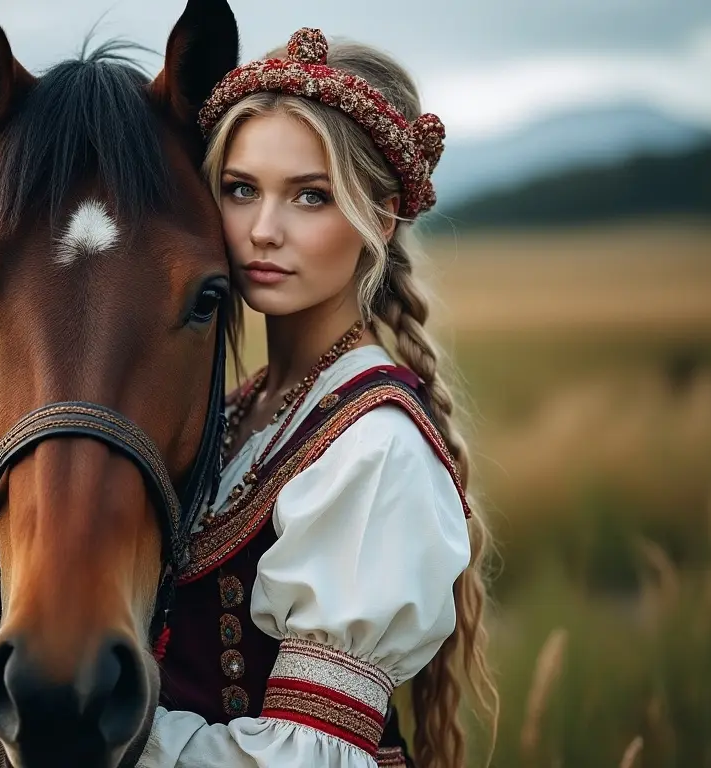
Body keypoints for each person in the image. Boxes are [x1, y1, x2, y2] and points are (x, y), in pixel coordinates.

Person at [138, 27, 497, 768]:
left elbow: (306, 756)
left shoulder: (375, 448)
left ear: (383, 215)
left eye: (311, 196)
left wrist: (105, 738)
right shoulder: (245, 407)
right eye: (241, 190)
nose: (263, 231)